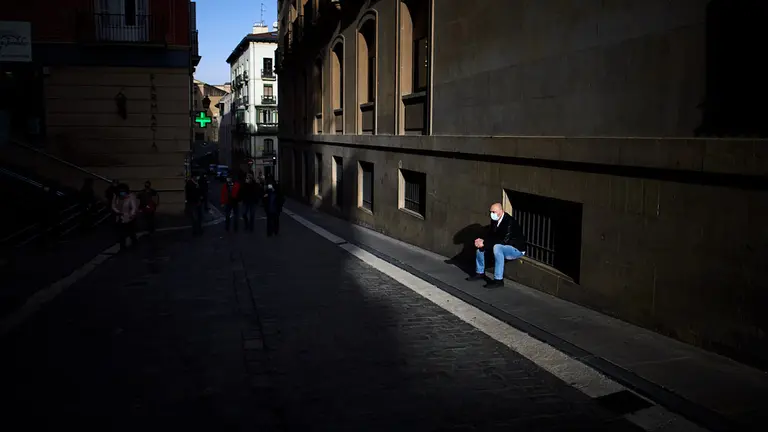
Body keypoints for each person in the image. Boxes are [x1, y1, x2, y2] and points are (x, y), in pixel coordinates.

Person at [466, 202, 527, 288]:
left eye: (494, 212)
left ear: (501, 211)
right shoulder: (494, 221)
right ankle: (480, 272)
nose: (492, 214)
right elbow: (491, 235)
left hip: (515, 249)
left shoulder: (509, 221)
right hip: (501, 244)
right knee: (480, 248)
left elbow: (504, 241)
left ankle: (498, 280)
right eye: (491, 212)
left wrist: (485, 243)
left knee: (497, 247)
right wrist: (481, 241)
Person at [111, 183, 138, 251]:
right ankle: (122, 247)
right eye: (120, 192)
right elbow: (113, 205)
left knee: (131, 232)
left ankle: (134, 243)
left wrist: (131, 215)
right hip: (120, 218)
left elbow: (134, 208)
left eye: (123, 192)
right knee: (121, 233)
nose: (121, 194)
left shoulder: (131, 197)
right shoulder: (116, 197)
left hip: (129, 218)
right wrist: (118, 212)